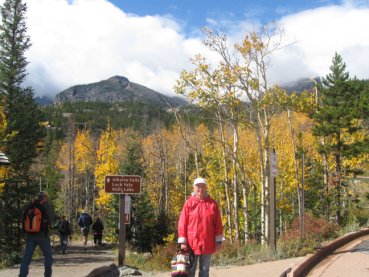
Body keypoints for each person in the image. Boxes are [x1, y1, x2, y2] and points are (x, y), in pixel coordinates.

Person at [177, 177, 223, 277]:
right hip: (191, 243)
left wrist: (218, 241)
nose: (200, 189)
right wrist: (183, 241)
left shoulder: (212, 204)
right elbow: (182, 223)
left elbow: (218, 224)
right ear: (194, 188)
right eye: (198, 187)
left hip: (208, 242)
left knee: (204, 270)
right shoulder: (189, 203)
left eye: (202, 186)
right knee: (190, 270)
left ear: (206, 188)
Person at [19, 191, 54, 277]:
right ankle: (47, 275)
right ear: (45, 197)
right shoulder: (46, 205)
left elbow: (23, 218)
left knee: (27, 256)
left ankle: (22, 274)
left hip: (30, 235)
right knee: (48, 256)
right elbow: (50, 219)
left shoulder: (31, 204)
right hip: (43, 235)